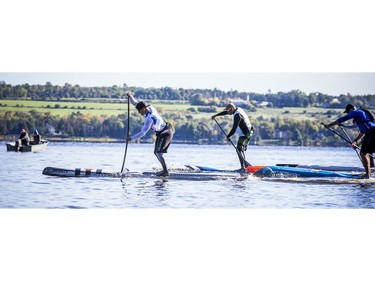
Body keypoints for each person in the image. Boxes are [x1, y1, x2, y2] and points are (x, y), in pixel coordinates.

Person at [126, 92, 173, 177]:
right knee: (156, 152)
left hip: (166, 133)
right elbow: (136, 103)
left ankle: (166, 172)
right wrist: (130, 96)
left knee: (158, 153)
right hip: (161, 133)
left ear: (144, 108)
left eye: (139, 111)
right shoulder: (149, 107)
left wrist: (131, 138)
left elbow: (143, 133)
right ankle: (164, 170)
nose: (139, 113)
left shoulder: (149, 119)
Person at [324, 103, 375, 179]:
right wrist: (355, 141)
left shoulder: (356, 112)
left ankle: (368, 175)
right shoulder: (361, 119)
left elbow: (343, 119)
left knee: (363, 153)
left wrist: (329, 125)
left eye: (348, 112)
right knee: (365, 153)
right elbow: (362, 132)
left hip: (372, 132)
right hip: (371, 133)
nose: (348, 113)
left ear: (351, 109)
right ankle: (368, 174)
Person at [211, 103, 254, 172]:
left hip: (246, 133)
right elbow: (226, 112)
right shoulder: (237, 109)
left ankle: (243, 168)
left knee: (239, 149)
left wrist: (228, 136)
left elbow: (234, 128)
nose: (227, 112)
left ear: (232, 109)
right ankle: (245, 166)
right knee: (240, 149)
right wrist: (216, 115)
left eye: (228, 111)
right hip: (247, 132)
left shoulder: (237, 115)